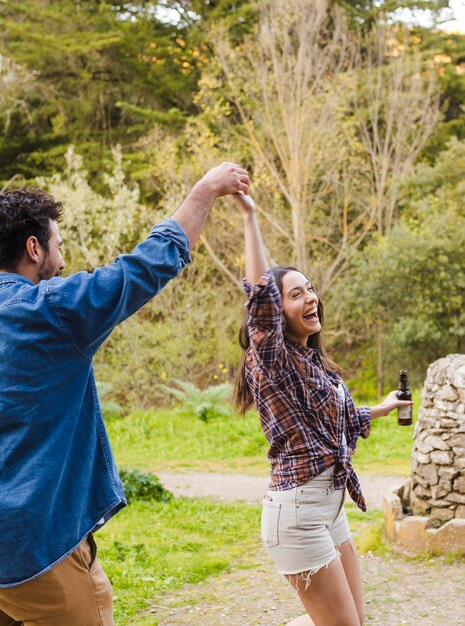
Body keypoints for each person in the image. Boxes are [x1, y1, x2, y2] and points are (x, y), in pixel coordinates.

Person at [0, 162, 250, 626]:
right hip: (39, 556)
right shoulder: (53, 310)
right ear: (34, 247)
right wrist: (204, 192)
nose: (62, 262)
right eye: (58, 247)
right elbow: (146, 265)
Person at [231, 192, 413, 626]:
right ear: (278, 312)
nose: (310, 298)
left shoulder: (310, 360)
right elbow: (259, 298)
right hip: (297, 515)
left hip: (328, 510)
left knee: (350, 621)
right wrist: (250, 217)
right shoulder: (273, 358)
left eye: (310, 288)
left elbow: (339, 423)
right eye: (296, 294)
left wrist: (384, 408)